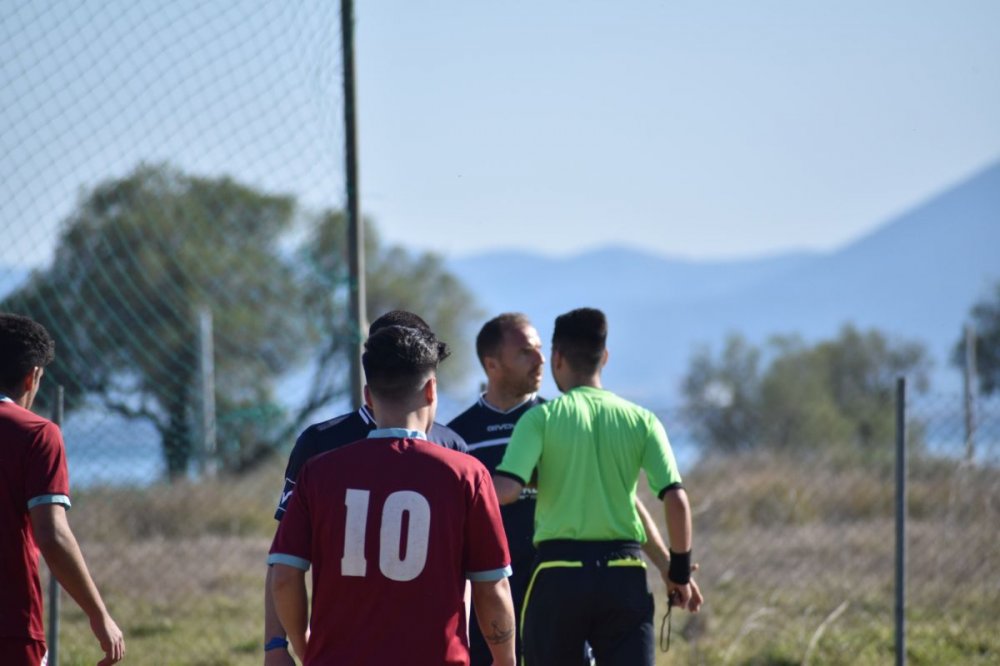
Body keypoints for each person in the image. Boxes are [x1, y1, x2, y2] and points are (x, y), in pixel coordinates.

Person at [269, 324, 516, 665]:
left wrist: (301, 644)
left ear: (368, 396)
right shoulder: (467, 473)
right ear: (431, 390)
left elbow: (283, 575)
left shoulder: (319, 471)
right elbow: (492, 588)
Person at [450, 312, 677, 666]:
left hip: (556, 583)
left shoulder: (557, 420)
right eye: (526, 352)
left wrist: (666, 566)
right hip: (491, 594)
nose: (541, 359)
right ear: (492, 364)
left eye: (542, 349)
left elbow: (622, 500)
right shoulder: (459, 436)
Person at [0, 313, 125, 666]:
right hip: (10, 625)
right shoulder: (36, 433)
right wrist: (99, 615)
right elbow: (52, 534)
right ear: (32, 376)